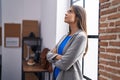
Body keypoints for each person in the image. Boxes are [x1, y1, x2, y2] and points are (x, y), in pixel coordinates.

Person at [47, 5, 88, 80]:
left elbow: (64, 64)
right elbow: (48, 55)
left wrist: (54, 57)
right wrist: (59, 57)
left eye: (70, 11)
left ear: (78, 17)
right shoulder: (65, 36)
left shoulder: (81, 37)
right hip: (57, 76)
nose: (66, 13)